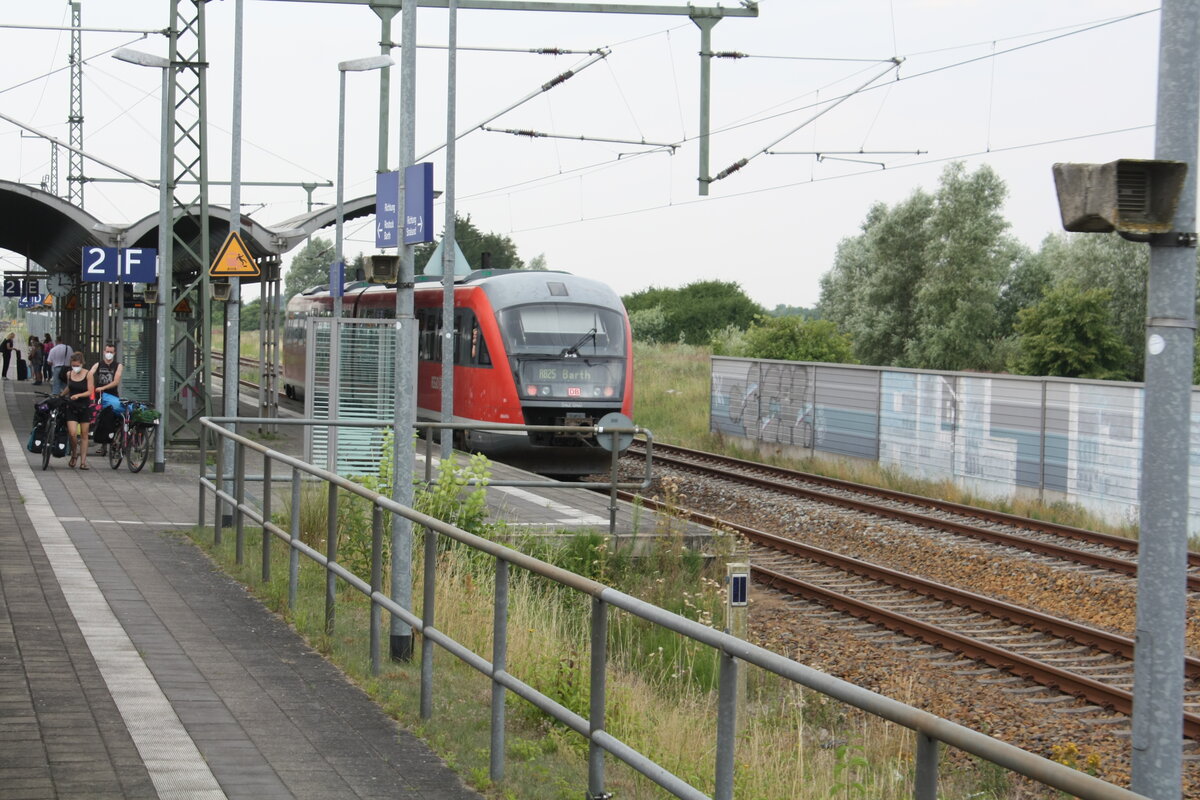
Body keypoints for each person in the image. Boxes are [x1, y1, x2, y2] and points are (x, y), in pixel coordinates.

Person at [90, 342, 123, 456]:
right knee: (101, 420)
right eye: (107, 351)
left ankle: (114, 442)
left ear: (114, 353)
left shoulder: (118, 365)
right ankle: (103, 445)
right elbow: (90, 374)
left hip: (112, 396)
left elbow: (116, 381)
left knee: (114, 420)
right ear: (104, 352)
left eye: (111, 352)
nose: (109, 354)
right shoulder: (98, 364)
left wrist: (103, 387)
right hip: (100, 397)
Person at [62, 352, 94, 470]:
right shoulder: (69, 374)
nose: (75, 367)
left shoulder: (88, 374)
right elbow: (69, 387)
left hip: (84, 407)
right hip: (71, 407)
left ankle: (83, 461)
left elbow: (90, 391)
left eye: (77, 365)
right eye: (73, 365)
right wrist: (61, 395)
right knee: (73, 433)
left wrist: (79, 396)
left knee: (84, 435)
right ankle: (74, 452)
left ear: (82, 363)